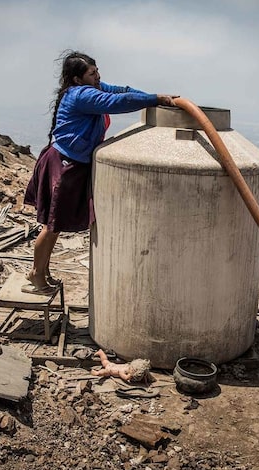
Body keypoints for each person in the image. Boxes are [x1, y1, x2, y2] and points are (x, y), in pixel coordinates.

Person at [22, 51, 177, 294]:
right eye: (92, 73)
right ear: (77, 79)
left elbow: (122, 91)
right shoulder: (83, 95)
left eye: (97, 71)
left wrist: (150, 97)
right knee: (52, 225)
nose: (98, 76)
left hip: (73, 163)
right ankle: (36, 275)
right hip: (63, 165)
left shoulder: (93, 88)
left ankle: (42, 270)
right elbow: (118, 103)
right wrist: (154, 99)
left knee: (56, 224)